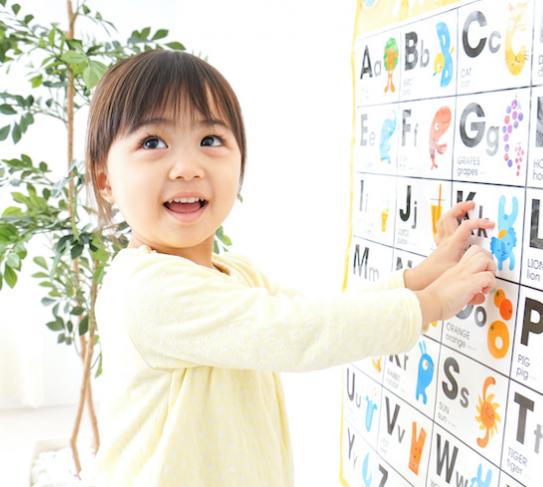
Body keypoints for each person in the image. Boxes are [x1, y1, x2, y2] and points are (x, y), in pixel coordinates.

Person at [84, 49, 496, 487]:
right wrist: (429, 303)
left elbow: (314, 312)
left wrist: (422, 276)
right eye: (152, 143)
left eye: (210, 141)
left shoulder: (233, 273)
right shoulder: (146, 290)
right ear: (106, 180)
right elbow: (294, 331)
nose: (187, 168)